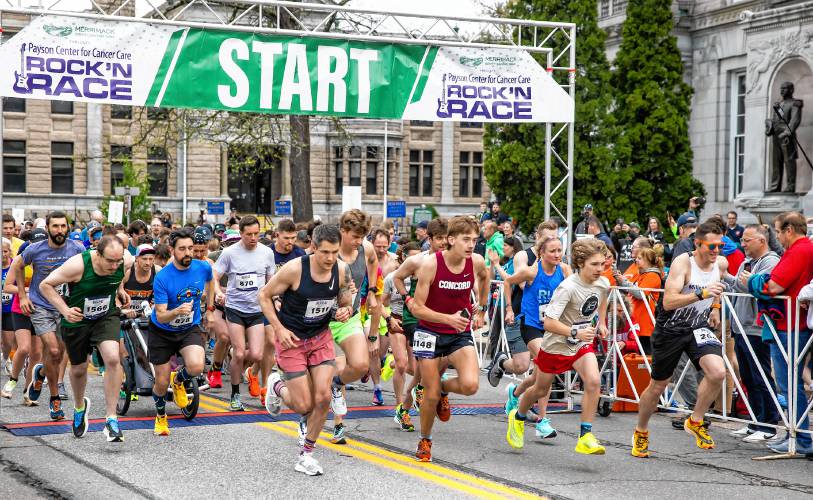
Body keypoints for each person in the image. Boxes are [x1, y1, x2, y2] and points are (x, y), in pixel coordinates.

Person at [260, 224, 354, 476]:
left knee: (323, 398)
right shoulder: (294, 270)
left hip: (320, 337)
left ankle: (306, 455)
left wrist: (347, 309)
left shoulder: (341, 270)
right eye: (324, 252)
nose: (330, 258)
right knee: (304, 405)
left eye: (335, 252)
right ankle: (276, 386)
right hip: (292, 339)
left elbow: (345, 300)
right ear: (313, 247)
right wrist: (278, 329)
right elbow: (264, 296)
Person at [632, 221, 729, 458]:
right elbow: (668, 302)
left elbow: (716, 289)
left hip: (698, 327)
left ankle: (695, 420)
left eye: (721, 245)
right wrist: (700, 295)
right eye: (711, 246)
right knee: (658, 386)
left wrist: (714, 307)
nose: (716, 251)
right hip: (671, 329)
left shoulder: (721, 263)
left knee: (718, 373)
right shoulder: (683, 262)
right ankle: (641, 432)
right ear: (697, 243)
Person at [506, 238, 610, 455]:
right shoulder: (568, 287)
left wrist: (602, 323)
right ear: (581, 263)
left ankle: (585, 436)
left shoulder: (603, 283)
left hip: (580, 343)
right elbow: (549, 323)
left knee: (593, 381)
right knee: (540, 388)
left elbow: (602, 298)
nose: (600, 269)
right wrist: (575, 331)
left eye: (602, 264)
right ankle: (517, 417)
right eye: (594, 265)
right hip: (555, 344)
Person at [409, 216, 489, 462]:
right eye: (466, 239)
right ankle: (425, 439)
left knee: (470, 385)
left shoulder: (475, 261)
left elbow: (485, 277)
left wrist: (482, 307)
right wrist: (447, 319)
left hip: (458, 332)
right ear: (451, 240)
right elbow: (417, 308)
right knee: (429, 395)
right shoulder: (431, 265)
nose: (471, 245)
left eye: (474, 240)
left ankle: (444, 388)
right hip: (429, 331)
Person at [39, 235, 134, 442]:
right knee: (79, 368)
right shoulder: (77, 265)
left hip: (105, 316)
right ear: (98, 254)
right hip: (78, 319)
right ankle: (80, 407)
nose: (114, 265)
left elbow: (121, 273)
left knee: (112, 358)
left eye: (117, 261)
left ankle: (111, 419)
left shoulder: (126, 260)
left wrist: (119, 290)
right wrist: (64, 310)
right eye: (110, 261)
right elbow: (45, 285)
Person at [12, 211, 85, 421]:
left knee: (59, 354)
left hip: (66, 307)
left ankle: (41, 373)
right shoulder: (35, 249)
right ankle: (55, 400)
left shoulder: (77, 248)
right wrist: (23, 296)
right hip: (41, 306)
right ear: (48, 229)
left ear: (68, 228)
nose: (59, 230)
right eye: (55, 226)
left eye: (63, 226)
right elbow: (18, 265)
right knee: (53, 351)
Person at [752, 212, 813, 454]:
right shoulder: (804, 248)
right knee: (790, 383)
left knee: (789, 384)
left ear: (789, 230)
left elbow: (774, 285)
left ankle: (800, 439)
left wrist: (753, 282)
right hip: (793, 322)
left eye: (778, 231)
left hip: (791, 325)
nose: (777, 236)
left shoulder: (800, 250)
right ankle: (795, 435)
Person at [148, 229, 215, 436]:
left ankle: (178, 380)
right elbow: (160, 315)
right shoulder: (163, 278)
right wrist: (176, 311)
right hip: (162, 330)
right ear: (171, 250)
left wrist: (210, 309)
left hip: (188, 328)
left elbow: (211, 281)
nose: (188, 253)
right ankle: (160, 417)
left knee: (197, 366)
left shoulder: (202, 267)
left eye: (191, 248)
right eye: (182, 249)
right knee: (160, 382)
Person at [722, 224, 780, 443]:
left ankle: (769, 424)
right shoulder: (748, 262)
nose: (742, 244)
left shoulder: (770, 261)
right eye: (743, 240)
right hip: (740, 325)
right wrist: (731, 278)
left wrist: (737, 280)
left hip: (755, 327)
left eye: (747, 240)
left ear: (761, 241)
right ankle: (755, 421)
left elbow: (755, 287)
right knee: (747, 376)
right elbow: (740, 285)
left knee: (761, 375)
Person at [327, 209, 380, 444]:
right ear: (343, 231)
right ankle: (338, 425)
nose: (359, 241)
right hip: (325, 320)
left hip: (351, 317)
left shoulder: (365, 249)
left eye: (362, 236)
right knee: (338, 364)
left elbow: (373, 262)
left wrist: (371, 291)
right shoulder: (329, 251)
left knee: (359, 365)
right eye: (355, 236)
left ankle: (336, 385)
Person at [213, 216, 276, 410]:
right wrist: (217, 292)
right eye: (249, 234)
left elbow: (271, 281)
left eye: (257, 234)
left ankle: (250, 373)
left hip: (256, 309)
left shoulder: (266, 253)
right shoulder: (230, 253)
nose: (253, 238)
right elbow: (214, 276)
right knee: (239, 353)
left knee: (257, 355)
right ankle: (235, 394)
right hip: (235, 309)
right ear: (241, 234)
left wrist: (275, 299)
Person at [391, 218, 449, 421]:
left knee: (431, 368)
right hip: (415, 318)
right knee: (427, 364)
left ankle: (403, 409)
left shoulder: (453, 260)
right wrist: (407, 298)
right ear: (430, 239)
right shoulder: (418, 261)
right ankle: (423, 391)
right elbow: (396, 278)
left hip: (439, 318)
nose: (443, 242)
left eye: (446, 238)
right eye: (439, 238)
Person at [382, 241, 422, 431]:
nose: (417, 260)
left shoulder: (425, 275)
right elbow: (380, 303)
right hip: (397, 320)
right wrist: (389, 318)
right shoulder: (392, 277)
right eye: (413, 256)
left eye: (420, 256)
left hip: (415, 322)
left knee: (415, 368)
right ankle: (400, 408)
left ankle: (392, 362)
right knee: (402, 364)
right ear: (404, 257)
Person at [615, 247, 664, 354]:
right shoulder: (642, 275)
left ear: (648, 261)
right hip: (636, 323)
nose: (636, 260)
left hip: (644, 325)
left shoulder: (653, 276)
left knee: (643, 359)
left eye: (639, 258)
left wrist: (623, 281)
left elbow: (639, 294)